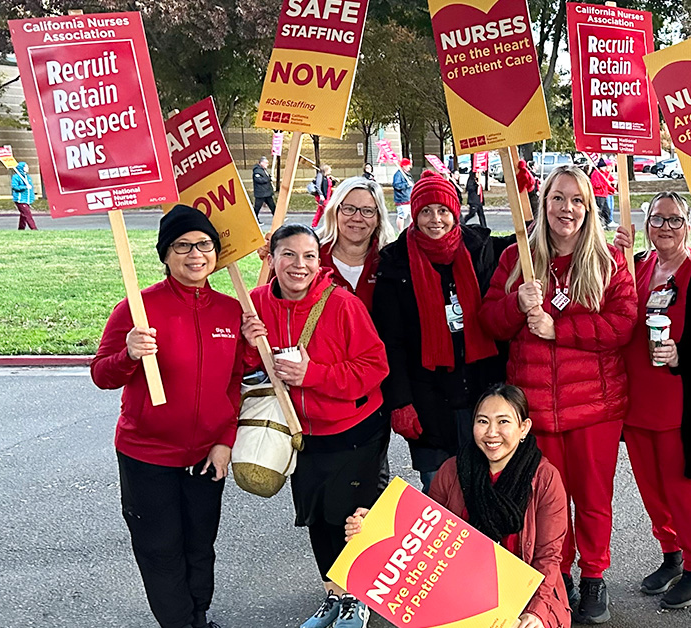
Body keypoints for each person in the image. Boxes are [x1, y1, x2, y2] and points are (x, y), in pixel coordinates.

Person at [480, 164, 637, 624]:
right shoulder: (517, 259)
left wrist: (558, 328)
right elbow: (490, 321)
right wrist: (517, 304)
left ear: (589, 208)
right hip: (535, 410)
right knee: (546, 501)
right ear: (543, 203)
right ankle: (556, 577)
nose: (566, 208)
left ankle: (594, 577)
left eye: (576, 200)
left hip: (595, 408)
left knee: (592, 499)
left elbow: (623, 324)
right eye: (557, 198)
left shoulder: (608, 260)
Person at [91, 205, 244, 628]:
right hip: (147, 456)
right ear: (165, 254)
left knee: (200, 546)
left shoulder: (230, 311)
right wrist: (129, 354)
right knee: (160, 550)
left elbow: (234, 383)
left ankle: (198, 615)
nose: (195, 254)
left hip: (206, 456)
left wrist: (224, 441)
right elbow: (102, 375)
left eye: (204, 245)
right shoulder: (137, 309)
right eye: (182, 246)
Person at [240, 224, 390, 628]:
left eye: (309, 256)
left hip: (354, 429)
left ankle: (358, 597)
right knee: (318, 518)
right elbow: (248, 371)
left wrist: (313, 375)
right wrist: (247, 344)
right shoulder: (254, 305)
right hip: (301, 434)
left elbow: (375, 368)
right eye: (288, 255)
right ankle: (333, 595)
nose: (299, 265)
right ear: (271, 260)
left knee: (353, 518)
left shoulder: (343, 304)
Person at [344, 384, 571, 628]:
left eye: (503, 422)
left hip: (528, 597)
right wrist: (373, 523)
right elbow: (419, 534)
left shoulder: (545, 478)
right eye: (483, 421)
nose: (492, 432)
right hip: (460, 595)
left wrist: (536, 613)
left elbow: (548, 557)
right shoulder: (453, 470)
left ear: (523, 428)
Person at [613, 192, 691, 609]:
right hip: (638, 405)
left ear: (689, 225)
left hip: (682, 407)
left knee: (684, 494)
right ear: (646, 224)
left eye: (675, 220)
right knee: (651, 491)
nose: (665, 227)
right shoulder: (637, 265)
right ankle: (671, 554)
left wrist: (683, 351)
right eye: (657, 219)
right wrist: (617, 254)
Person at [374, 171, 509, 492]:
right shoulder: (394, 263)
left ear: (456, 213)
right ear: (415, 214)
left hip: (482, 391)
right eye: (425, 211)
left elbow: (534, 238)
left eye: (443, 210)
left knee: (486, 489)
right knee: (439, 491)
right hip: (428, 399)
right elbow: (390, 343)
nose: (435, 219)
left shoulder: (482, 248)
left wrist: (529, 196)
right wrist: (400, 402)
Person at [311, 176, 397, 308]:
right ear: (335, 212)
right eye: (349, 209)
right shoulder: (311, 260)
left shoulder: (391, 263)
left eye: (367, 211)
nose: (357, 218)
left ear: (378, 218)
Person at [588, 160, 616, 229]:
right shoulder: (596, 173)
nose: (605, 168)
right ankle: (598, 225)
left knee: (606, 210)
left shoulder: (604, 174)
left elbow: (609, 182)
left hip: (604, 194)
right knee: (599, 210)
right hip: (598, 195)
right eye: (603, 167)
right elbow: (596, 185)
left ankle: (607, 223)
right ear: (600, 167)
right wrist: (605, 183)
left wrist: (612, 189)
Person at [12, 161, 37, 230]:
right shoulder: (16, 177)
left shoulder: (27, 177)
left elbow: (30, 189)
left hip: (27, 199)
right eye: (26, 166)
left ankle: (21, 229)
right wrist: (25, 187)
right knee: (28, 215)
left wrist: (32, 198)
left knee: (23, 215)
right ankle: (34, 229)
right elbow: (15, 187)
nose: (27, 168)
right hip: (20, 200)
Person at [393, 158, 414, 232]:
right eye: (408, 165)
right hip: (402, 199)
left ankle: (411, 230)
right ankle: (400, 231)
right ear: (404, 166)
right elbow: (397, 185)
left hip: (409, 198)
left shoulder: (407, 175)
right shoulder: (398, 174)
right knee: (402, 216)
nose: (410, 167)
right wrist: (406, 185)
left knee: (412, 215)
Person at [252, 156, 275, 222]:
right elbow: (259, 180)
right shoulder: (257, 171)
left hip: (267, 192)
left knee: (272, 206)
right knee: (257, 208)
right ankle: (254, 219)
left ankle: (277, 218)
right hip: (261, 193)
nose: (267, 165)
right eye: (266, 163)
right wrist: (269, 179)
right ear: (261, 163)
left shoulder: (264, 170)